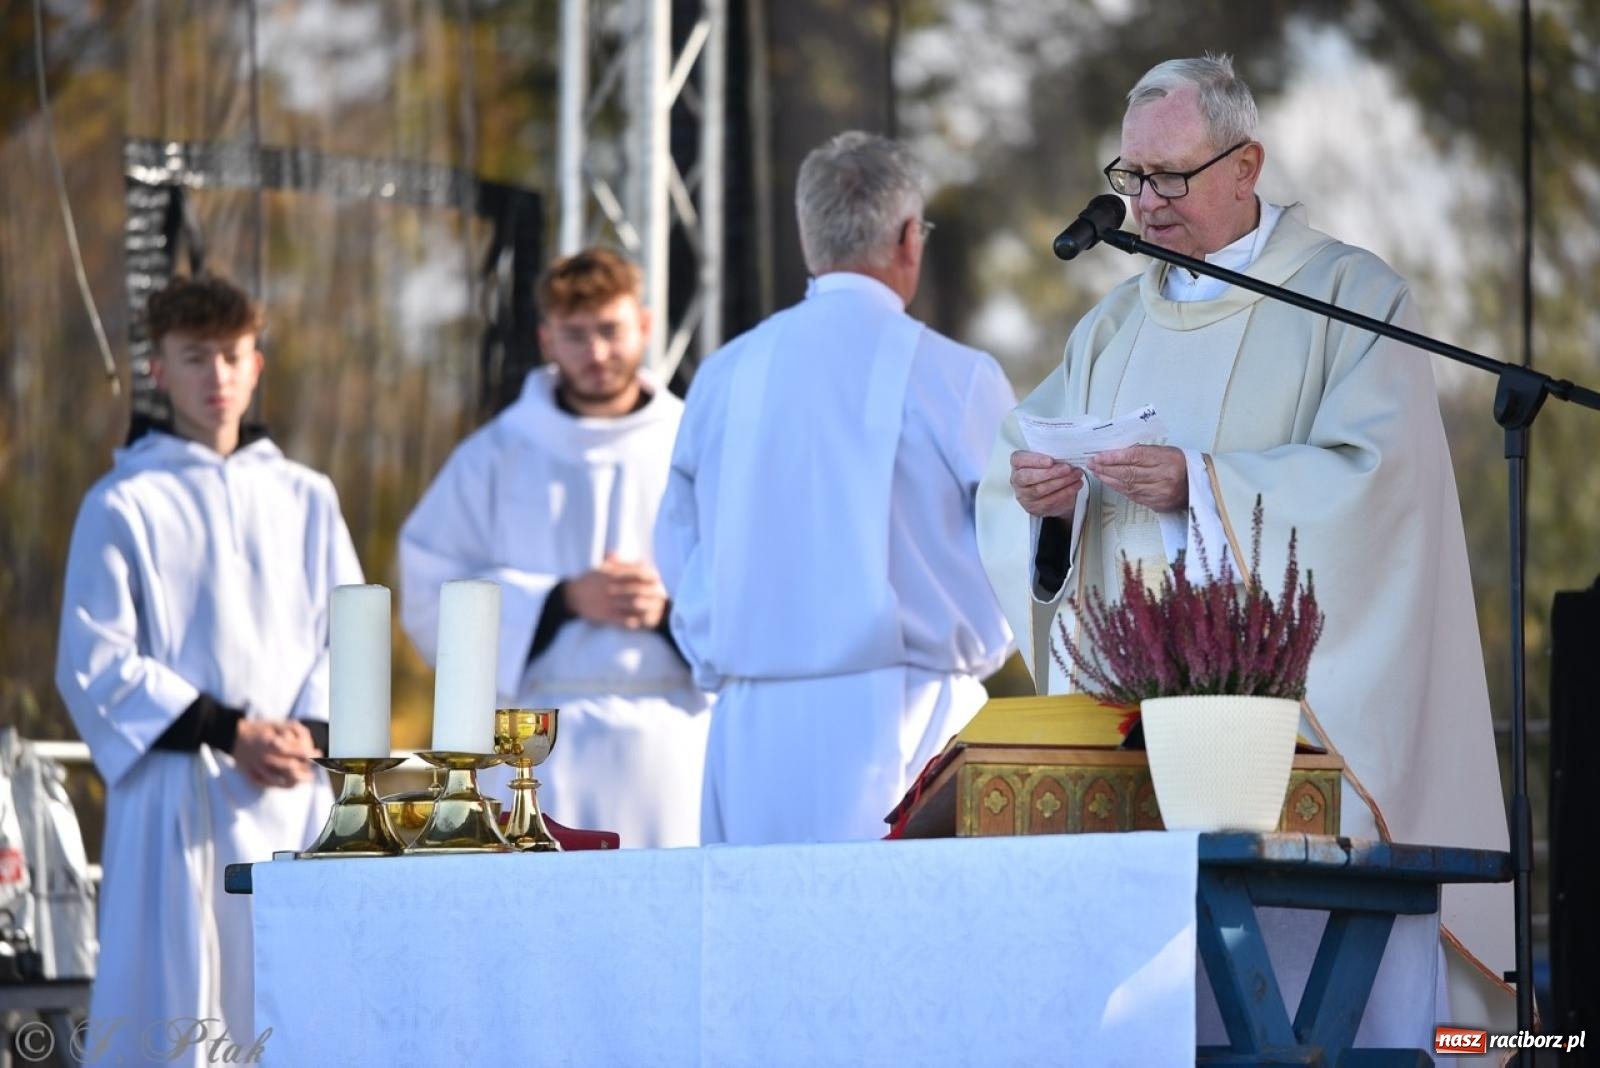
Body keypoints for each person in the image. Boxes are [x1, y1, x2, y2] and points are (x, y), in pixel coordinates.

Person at [976, 55, 1512, 1041]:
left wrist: (1202, 483)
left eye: (1169, 176)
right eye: (1129, 178)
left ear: (1246, 164)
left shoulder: (1348, 299)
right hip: (1143, 748)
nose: (1145, 203)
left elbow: (1381, 492)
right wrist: (1045, 504)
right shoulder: (1108, 328)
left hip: (1313, 749)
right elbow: (1018, 463)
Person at [655, 131, 1015, 846]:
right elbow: (1019, 539)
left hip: (752, 729)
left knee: (750, 948)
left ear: (808, 235)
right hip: (911, 719)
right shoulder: (955, 375)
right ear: (910, 238)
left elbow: (677, 538)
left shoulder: (726, 373)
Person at [56, 273, 362, 1064]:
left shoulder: (308, 497)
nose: (217, 378)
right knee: (173, 1022)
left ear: (257, 364)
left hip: (292, 798)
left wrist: (310, 734)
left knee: (291, 1012)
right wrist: (229, 731)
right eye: (196, 358)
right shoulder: (122, 502)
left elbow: (351, 634)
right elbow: (93, 660)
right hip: (178, 801)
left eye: (232, 357)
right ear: (158, 369)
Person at [399, 248, 710, 848]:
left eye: (611, 330)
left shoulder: (691, 444)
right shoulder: (494, 456)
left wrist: (672, 611)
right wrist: (560, 600)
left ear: (645, 327)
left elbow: (749, 579)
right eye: (575, 335)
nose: (596, 353)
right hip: (537, 756)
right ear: (546, 339)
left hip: (674, 741)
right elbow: (427, 594)